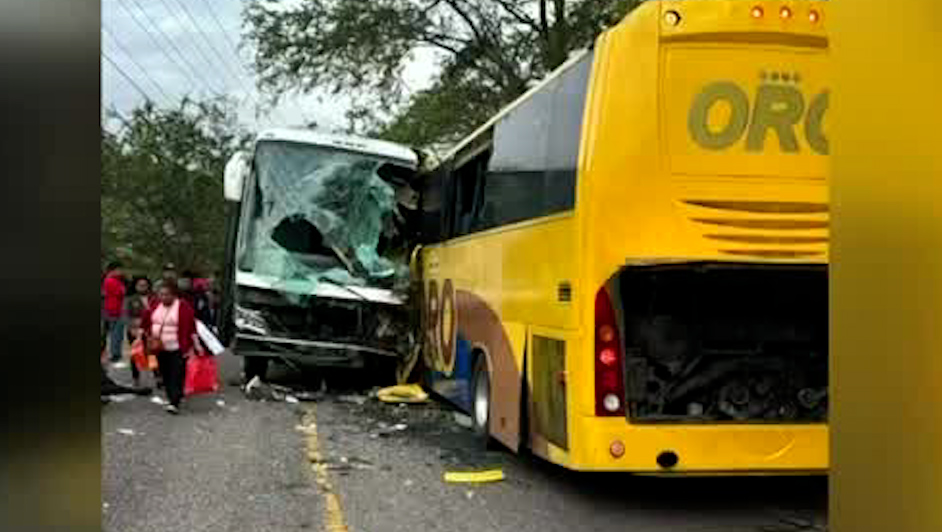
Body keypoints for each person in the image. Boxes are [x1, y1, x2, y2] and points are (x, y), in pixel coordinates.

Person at [141, 281, 199, 415]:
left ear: (174, 295)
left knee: (177, 374)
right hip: (157, 347)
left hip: (177, 347)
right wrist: (142, 333)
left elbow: (191, 327)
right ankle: (172, 395)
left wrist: (196, 345)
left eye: (167, 294)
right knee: (165, 373)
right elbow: (146, 320)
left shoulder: (183, 306)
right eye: (161, 294)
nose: (163, 297)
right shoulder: (155, 304)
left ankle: (174, 402)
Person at [124, 276, 157, 388]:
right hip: (135, 329)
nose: (143, 287)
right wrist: (131, 328)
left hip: (150, 329)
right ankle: (136, 377)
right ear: (135, 286)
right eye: (140, 285)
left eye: (145, 285)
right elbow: (126, 315)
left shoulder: (154, 297)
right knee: (135, 354)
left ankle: (157, 375)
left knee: (152, 353)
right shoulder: (130, 299)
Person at [101, 261, 127, 363]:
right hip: (114, 310)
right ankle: (115, 354)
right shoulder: (111, 280)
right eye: (119, 269)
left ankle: (114, 353)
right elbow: (121, 292)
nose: (121, 272)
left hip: (112, 309)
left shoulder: (113, 280)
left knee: (113, 333)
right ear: (113, 270)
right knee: (116, 334)